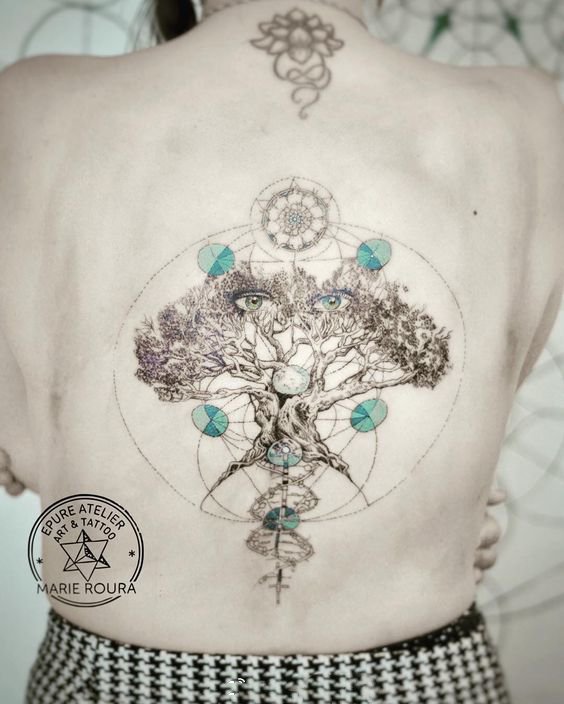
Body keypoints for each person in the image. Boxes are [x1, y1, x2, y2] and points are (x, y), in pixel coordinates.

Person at [0, 0, 562, 701]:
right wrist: (442, 507)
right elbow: (489, 383)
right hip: (415, 680)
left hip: (116, 679)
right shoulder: (527, 113)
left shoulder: (32, 102)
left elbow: (20, 450)